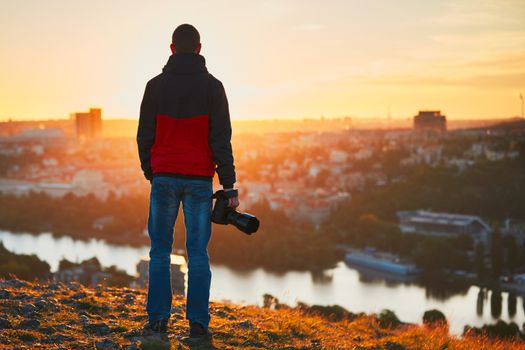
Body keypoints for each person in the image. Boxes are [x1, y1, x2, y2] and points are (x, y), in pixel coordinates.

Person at [136, 23, 239, 340]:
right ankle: (197, 323)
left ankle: (157, 320)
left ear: (171, 48)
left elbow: (144, 136)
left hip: (164, 177)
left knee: (159, 252)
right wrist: (229, 185)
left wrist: (151, 171)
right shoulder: (213, 87)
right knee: (197, 253)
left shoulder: (154, 86)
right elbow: (221, 139)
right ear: (199, 48)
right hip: (198, 179)